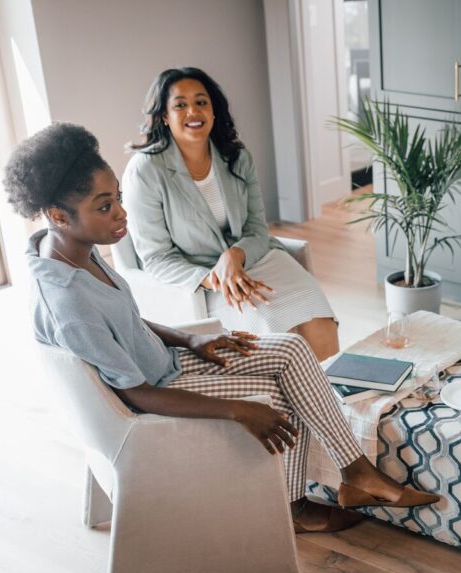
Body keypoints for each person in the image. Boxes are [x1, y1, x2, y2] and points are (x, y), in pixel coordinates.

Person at [6, 122, 439, 533]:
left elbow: (126, 323)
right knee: (278, 399)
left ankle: (355, 473)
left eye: (117, 197)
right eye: (105, 207)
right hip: (154, 398)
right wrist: (239, 409)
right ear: (57, 216)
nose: (122, 214)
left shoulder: (71, 248)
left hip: (170, 363)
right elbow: (135, 394)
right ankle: (292, 509)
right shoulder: (67, 300)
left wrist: (192, 338)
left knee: (290, 348)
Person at [123, 67, 339, 361]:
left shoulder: (236, 157)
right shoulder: (145, 170)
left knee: (319, 320)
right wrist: (218, 278)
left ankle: (335, 400)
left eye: (201, 102)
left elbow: (256, 228)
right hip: (203, 279)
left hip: (256, 259)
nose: (193, 111)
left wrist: (234, 257)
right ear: (164, 116)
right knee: (280, 340)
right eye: (180, 105)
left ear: (213, 110)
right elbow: (157, 258)